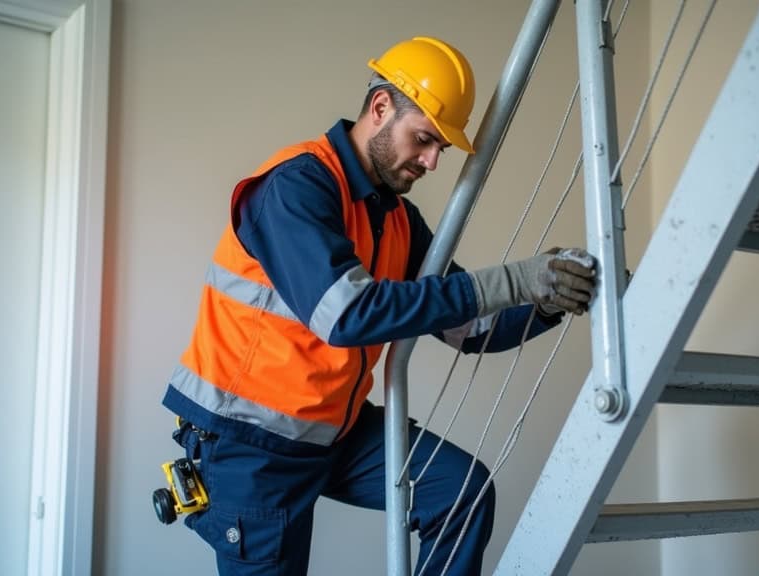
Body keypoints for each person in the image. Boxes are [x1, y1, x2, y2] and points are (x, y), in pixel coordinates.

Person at [161, 36, 597, 576]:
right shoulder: (297, 186)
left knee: (460, 493)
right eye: (424, 140)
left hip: (331, 433)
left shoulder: (393, 218)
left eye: (442, 148)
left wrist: (548, 295)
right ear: (381, 107)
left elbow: (474, 326)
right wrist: (512, 279)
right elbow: (347, 316)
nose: (433, 161)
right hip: (250, 446)